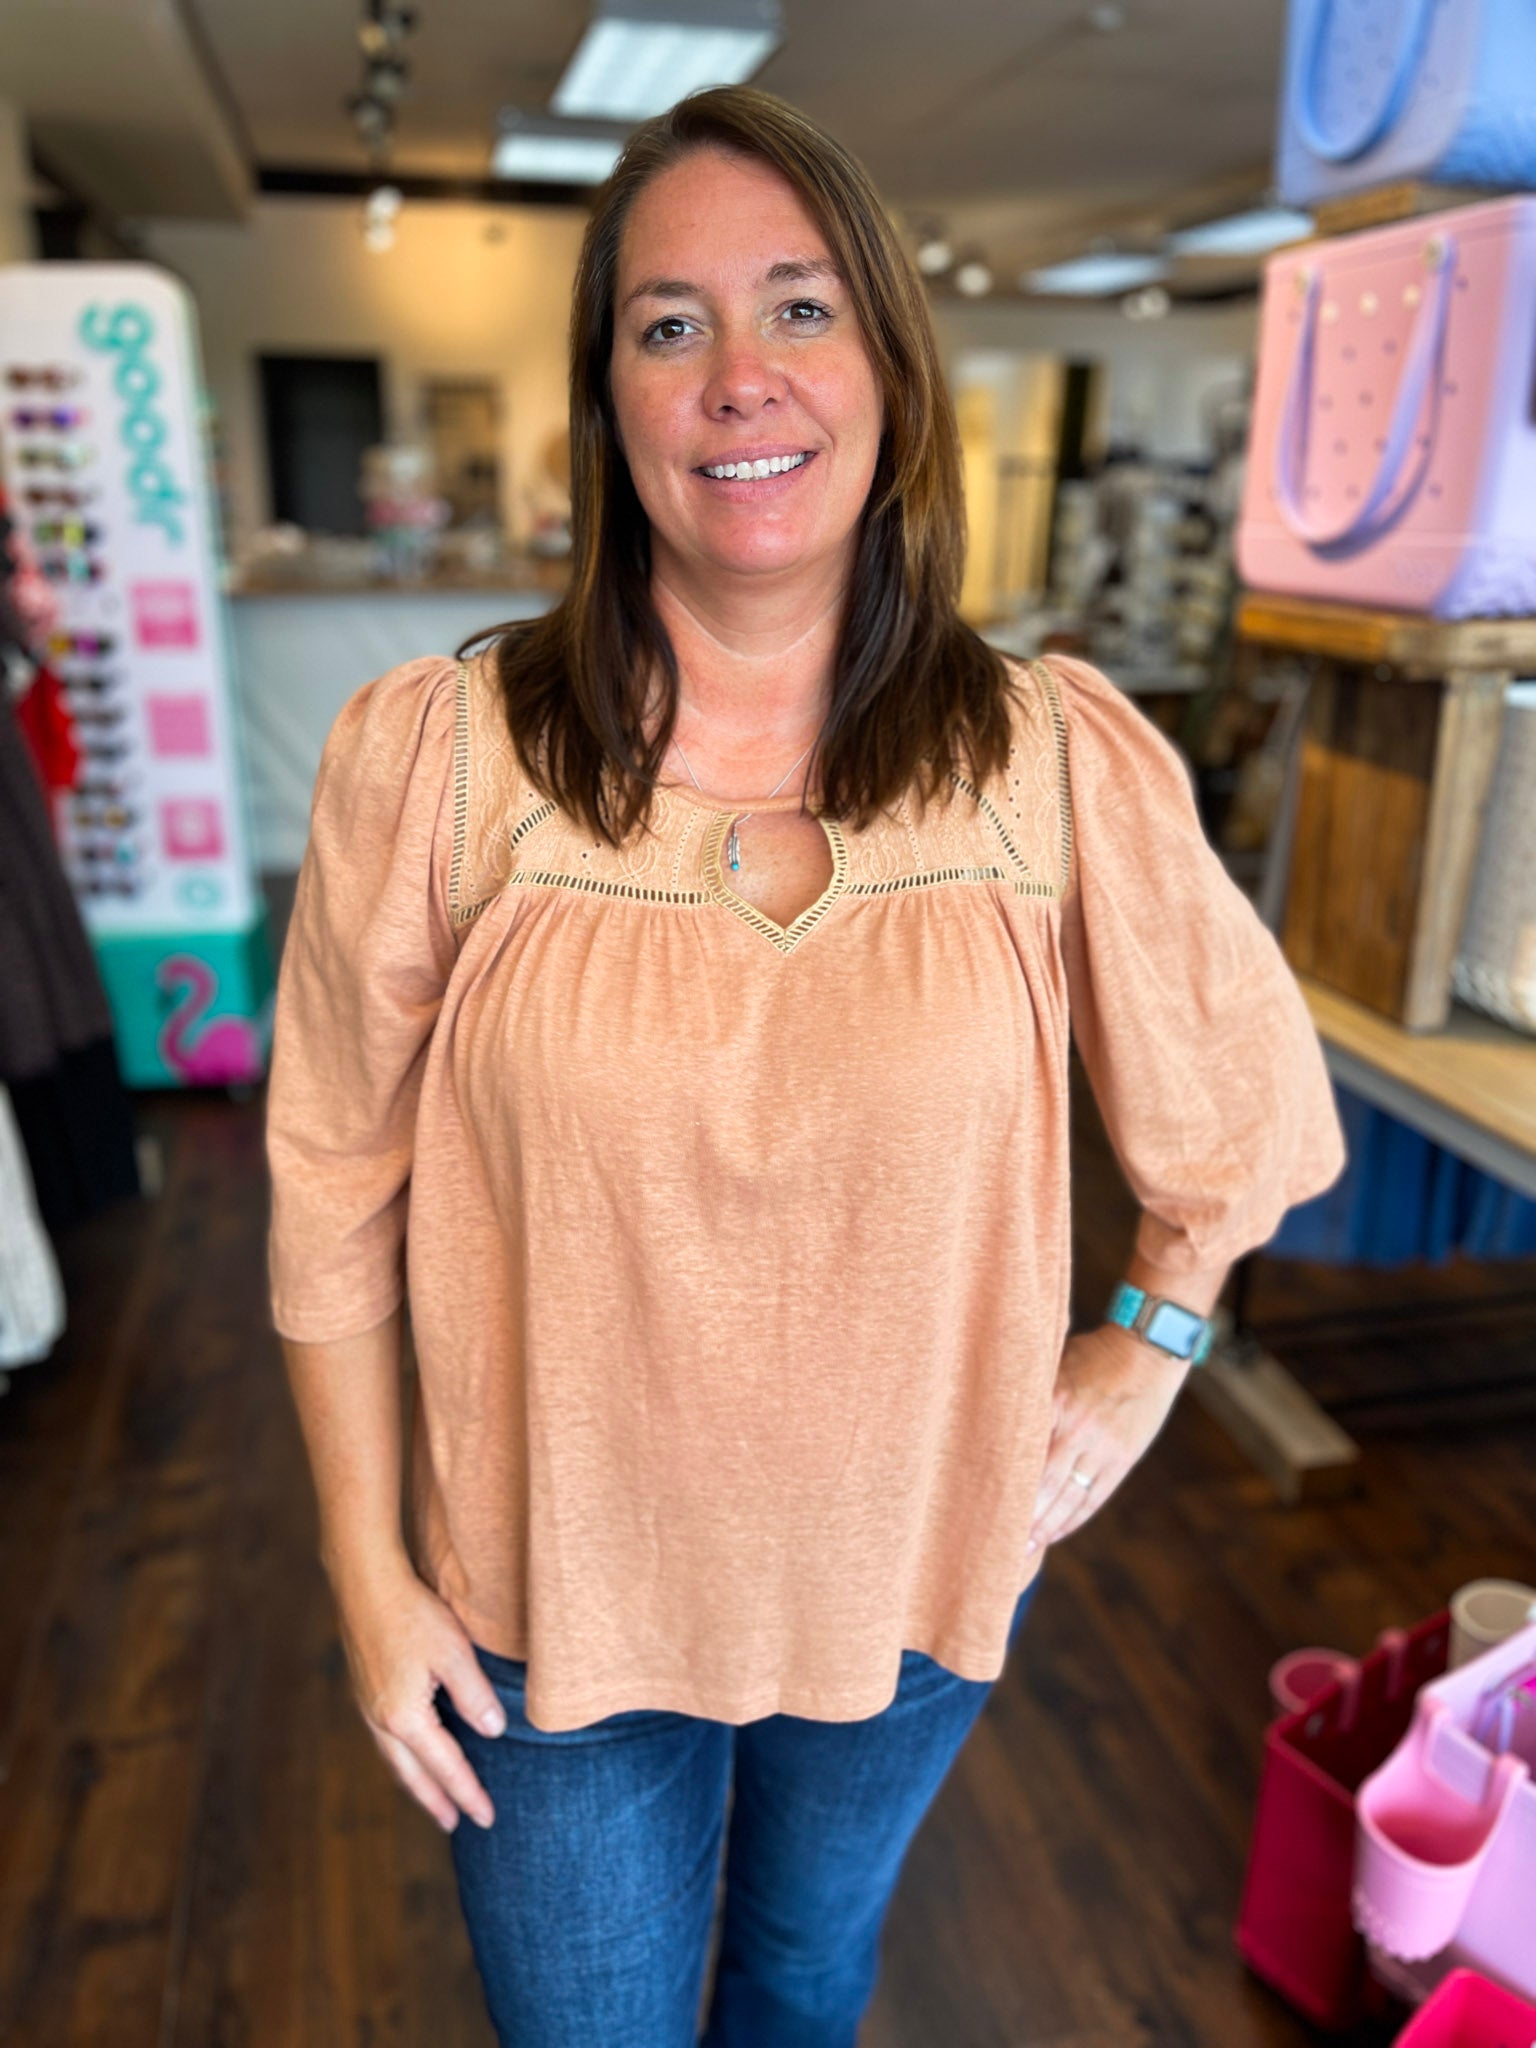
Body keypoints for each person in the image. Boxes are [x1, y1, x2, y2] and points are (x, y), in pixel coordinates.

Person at [265, 83, 1347, 2048]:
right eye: (669, 324)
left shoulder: (1044, 754)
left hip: (911, 1579)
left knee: (801, 1980)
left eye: (800, 307)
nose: (738, 376)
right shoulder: (440, 757)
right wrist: (362, 1568)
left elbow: (1239, 1098)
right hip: (546, 1612)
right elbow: (332, 1180)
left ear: (890, 374)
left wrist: (1153, 1337)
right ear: (609, 404)